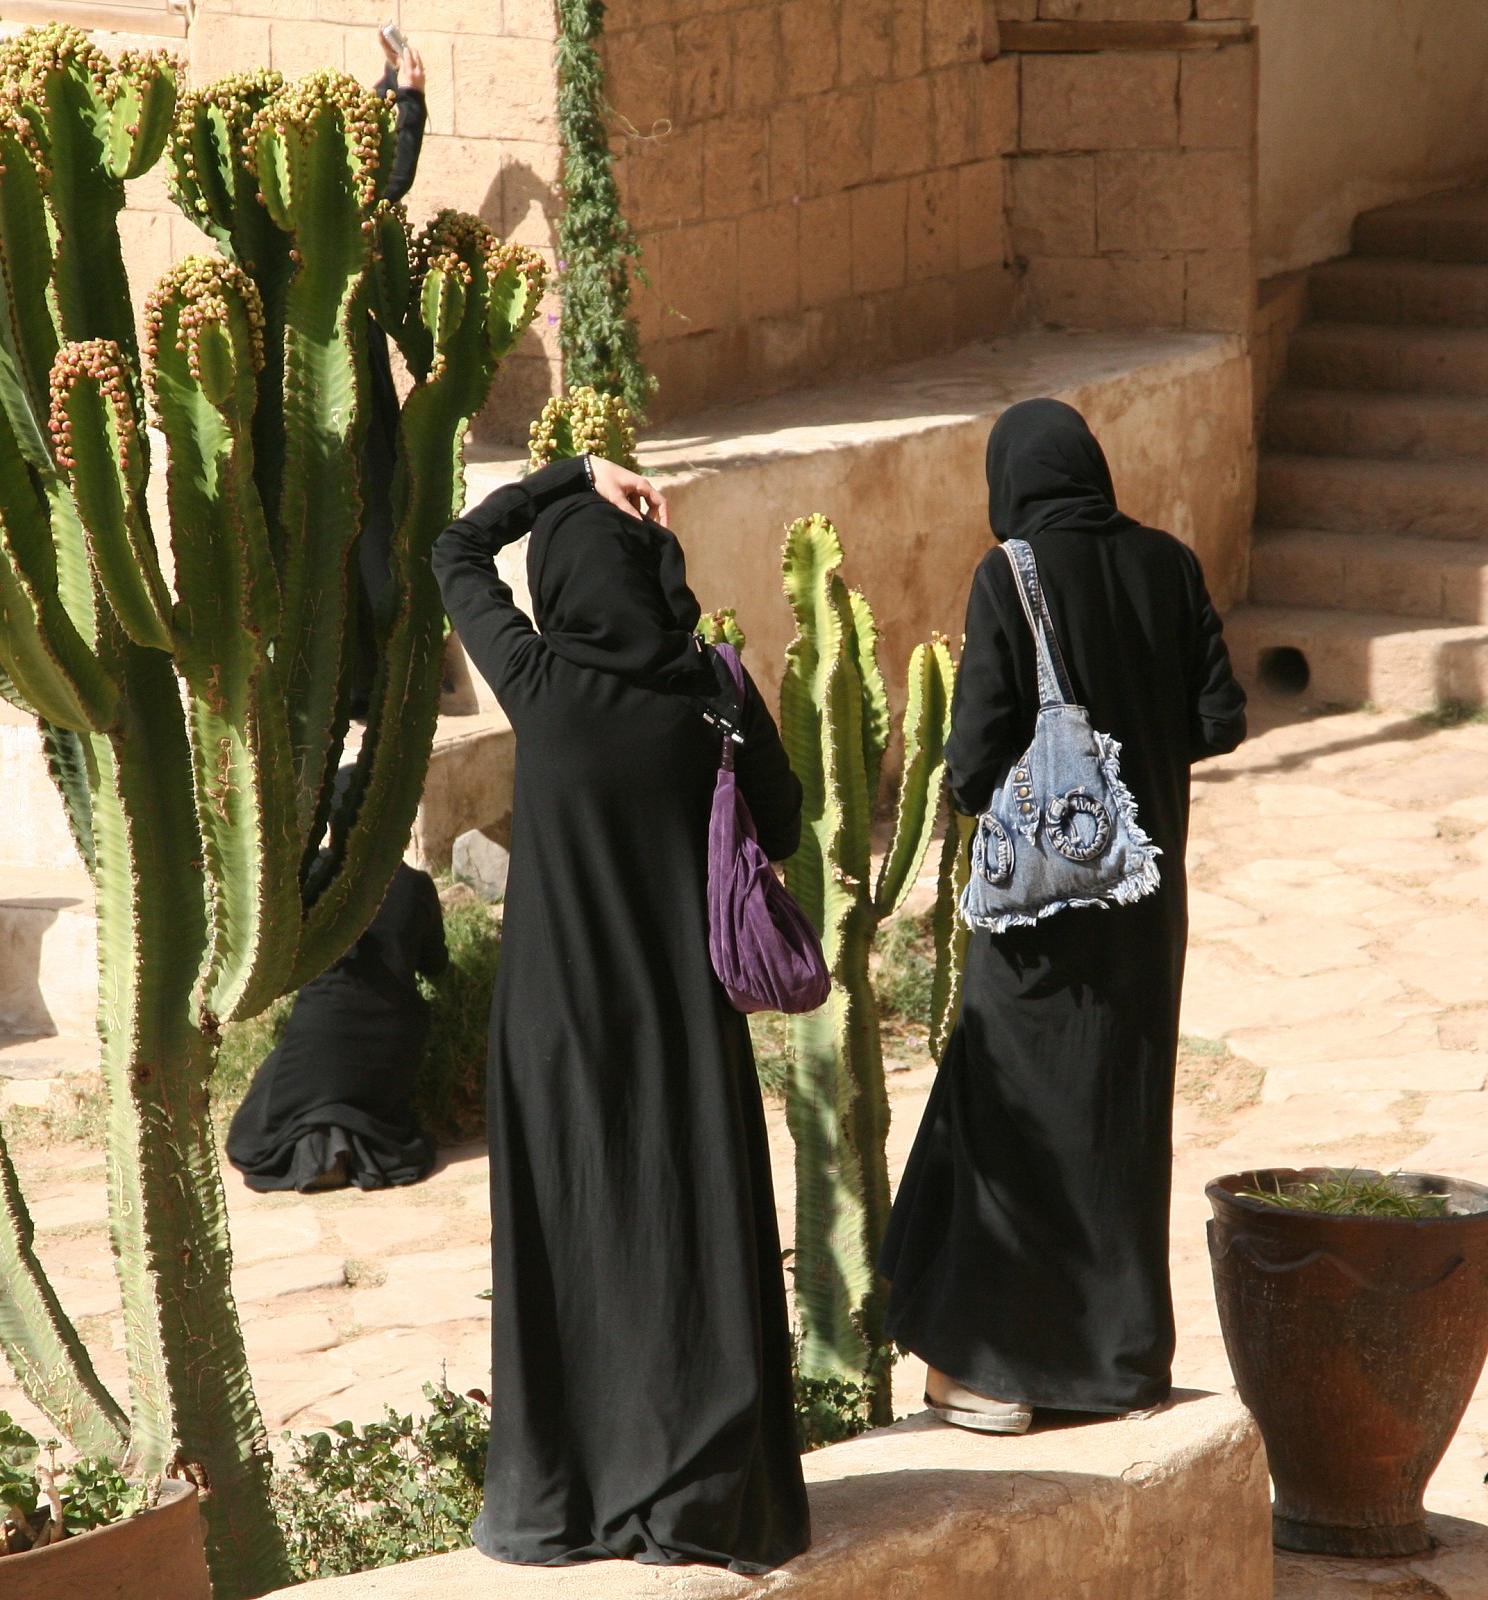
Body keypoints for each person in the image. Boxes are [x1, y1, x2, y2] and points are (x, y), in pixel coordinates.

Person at [432, 453, 811, 1571]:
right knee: (684, 1234)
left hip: (557, 1023)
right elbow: (781, 825)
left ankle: (567, 1497)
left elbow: (454, 549)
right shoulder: (711, 693)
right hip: (685, 1023)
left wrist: (566, 478)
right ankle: (692, 1494)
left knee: (579, 1242)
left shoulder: (543, 683)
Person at [879, 397, 1247, 1433]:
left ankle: (995, 1373)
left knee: (1009, 1121)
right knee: (1118, 1125)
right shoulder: (1171, 565)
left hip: (1040, 921)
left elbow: (970, 765)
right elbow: (1220, 716)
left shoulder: (1013, 574)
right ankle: (1120, 1364)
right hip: (1142, 909)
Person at [224, 860, 448, 1193]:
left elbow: (272, 959)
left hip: (322, 1031)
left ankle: (324, 1145)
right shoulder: (416, 885)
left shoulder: (313, 875)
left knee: (252, 1136)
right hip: (393, 1044)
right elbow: (435, 965)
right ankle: (345, 1141)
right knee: (363, 1104)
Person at [352, 29, 428, 714]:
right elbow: (383, 178)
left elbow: (365, 171)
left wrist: (393, 91)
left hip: (316, 384)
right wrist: (406, 102)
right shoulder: (336, 211)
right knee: (373, 514)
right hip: (350, 381)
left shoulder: (277, 215)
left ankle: (360, 679)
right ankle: (377, 682)